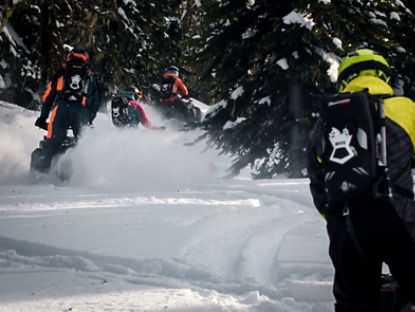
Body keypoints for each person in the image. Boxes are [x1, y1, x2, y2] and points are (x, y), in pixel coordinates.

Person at [307, 49, 415, 312]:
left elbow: (318, 185)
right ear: (383, 75)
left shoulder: (325, 121)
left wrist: (337, 216)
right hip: (397, 217)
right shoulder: (406, 108)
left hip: (346, 225)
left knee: (354, 303)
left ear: (345, 78)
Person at [34, 47, 100, 171]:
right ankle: (80, 175)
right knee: (82, 144)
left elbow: (48, 97)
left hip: (61, 109)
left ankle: (40, 174)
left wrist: (43, 117)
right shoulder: (90, 77)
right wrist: (89, 118)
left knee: (52, 141)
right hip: (81, 111)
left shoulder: (62, 74)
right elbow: (95, 101)